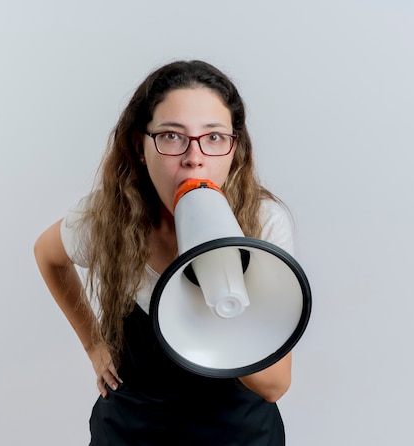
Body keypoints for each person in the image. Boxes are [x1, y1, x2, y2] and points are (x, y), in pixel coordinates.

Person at [34, 60, 296, 445]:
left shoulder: (262, 223)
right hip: (131, 430)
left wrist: (217, 265)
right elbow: (48, 255)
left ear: (234, 149)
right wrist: (92, 343)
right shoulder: (110, 217)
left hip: (239, 434)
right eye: (172, 136)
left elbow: (274, 385)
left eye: (214, 137)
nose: (194, 157)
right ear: (140, 147)